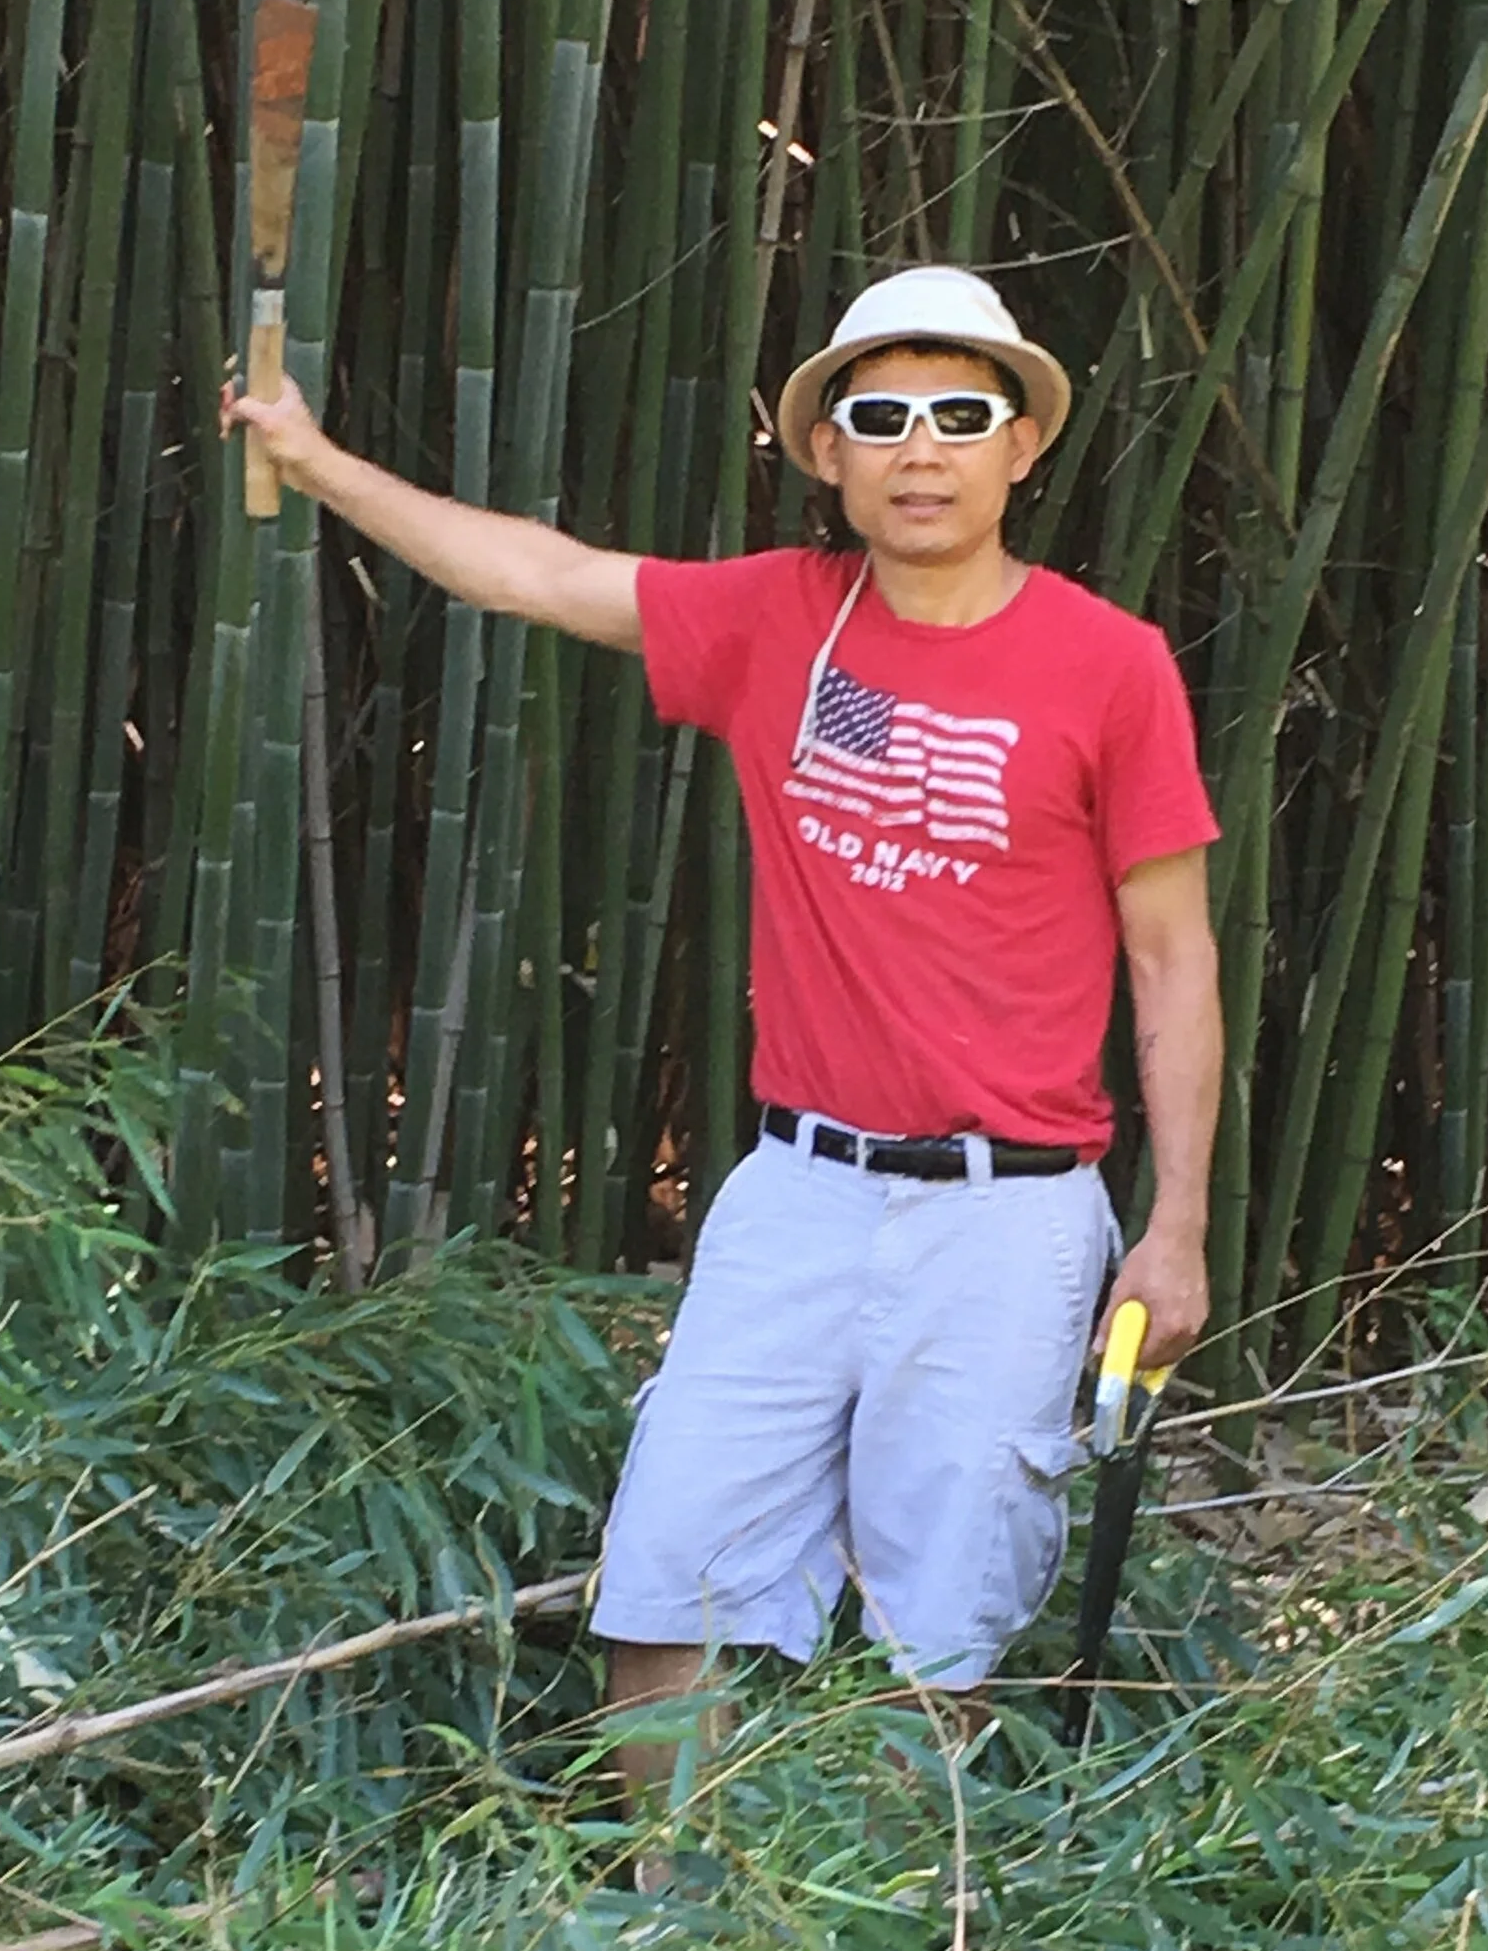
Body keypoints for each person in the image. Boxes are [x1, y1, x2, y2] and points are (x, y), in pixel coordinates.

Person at [225, 263, 1221, 1747]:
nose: (921, 447)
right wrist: (311, 458)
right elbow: (534, 574)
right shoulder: (779, 622)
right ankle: (674, 1930)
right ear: (827, 452)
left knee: (934, 1626)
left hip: (1007, 1216)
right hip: (797, 1194)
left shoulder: (1110, 667)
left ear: (1024, 444)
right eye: (879, 416)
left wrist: (1178, 1225)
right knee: (666, 1579)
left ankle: (892, 1949)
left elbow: (1173, 958)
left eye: (962, 412)